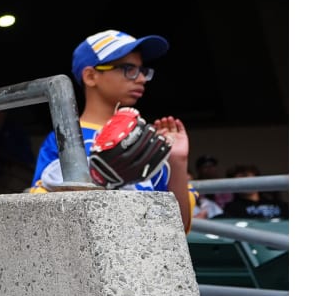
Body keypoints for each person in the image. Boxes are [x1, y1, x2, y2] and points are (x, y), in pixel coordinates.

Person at [31, 28, 196, 233]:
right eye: (128, 68)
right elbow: (43, 216)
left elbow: (180, 227)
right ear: (91, 76)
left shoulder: (148, 140)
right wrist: (99, 179)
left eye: (142, 70)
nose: (141, 78)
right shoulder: (66, 139)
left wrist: (177, 162)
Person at [220, 163, 287, 220]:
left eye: (246, 176)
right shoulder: (232, 208)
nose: (246, 183)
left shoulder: (278, 204)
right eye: (241, 180)